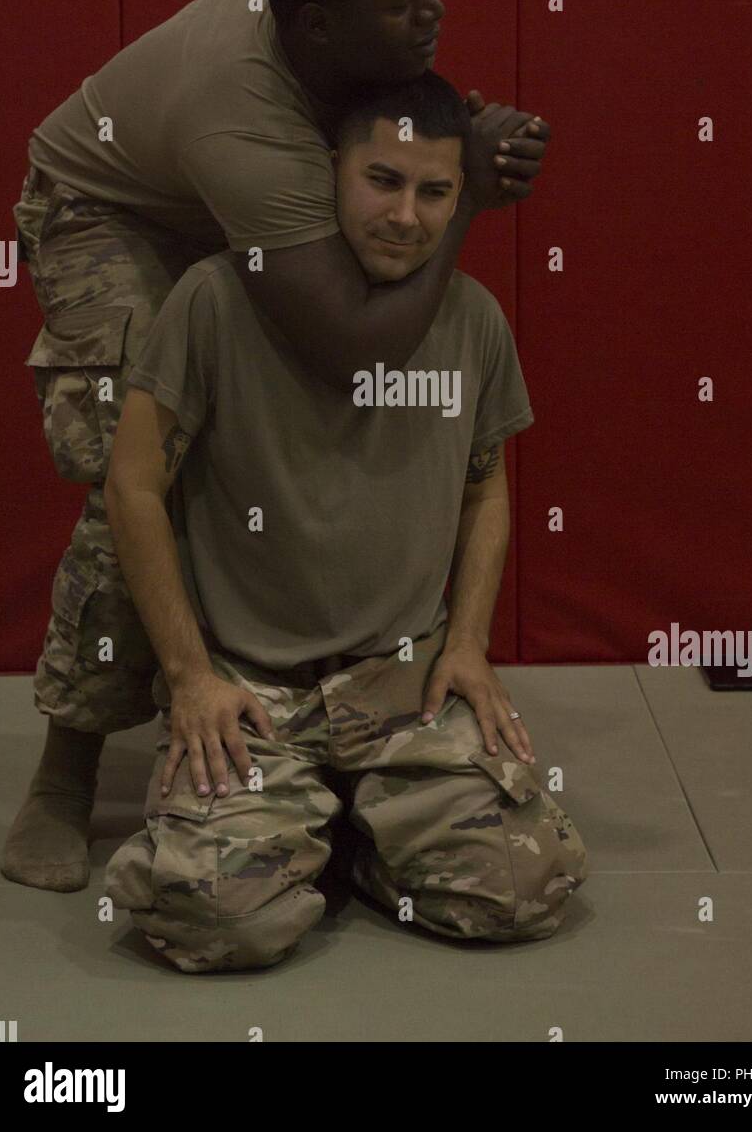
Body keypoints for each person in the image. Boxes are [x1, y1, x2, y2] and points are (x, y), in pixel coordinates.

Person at [2, 0, 551, 893]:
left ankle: (313, 746)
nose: (432, 11)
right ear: (317, 24)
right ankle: (66, 770)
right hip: (119, 217)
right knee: (135, 468)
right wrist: (467, 196)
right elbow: (352, 345)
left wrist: (467, 143)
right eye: (401, 3)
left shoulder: (326, 10)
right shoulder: (238, 112)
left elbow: (396, 138)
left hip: (243, 198)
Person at [103, 72, 587, 973]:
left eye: (435, 192)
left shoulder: (473, 319)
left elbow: (485, 489)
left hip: (403, 684)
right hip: (253, 688)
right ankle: (299, 823)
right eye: (382, 180)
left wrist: (468, 642)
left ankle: (352, 840)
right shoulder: (216, 299)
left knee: (525, 889)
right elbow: (133, 486)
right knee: (216, 920)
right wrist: (190, 675)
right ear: (331, 170)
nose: (405, 215)